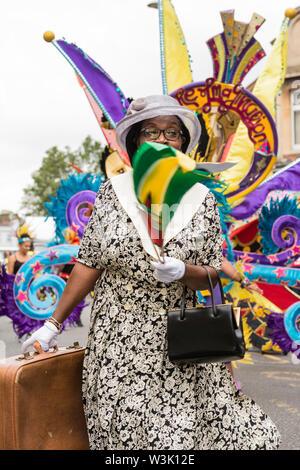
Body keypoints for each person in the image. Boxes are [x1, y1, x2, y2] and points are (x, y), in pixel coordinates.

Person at [22, 95, 280, 450]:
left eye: (172, 132)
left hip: (179, 342)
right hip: (116, 344)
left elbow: (212, 273)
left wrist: (182, 271)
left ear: (183, 142)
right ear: (136, 141)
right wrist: (52, 325)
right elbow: (89, 262)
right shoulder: (112, 193)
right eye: (151, 132)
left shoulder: (200, 197)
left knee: (174, 439)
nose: (162, 140)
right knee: (120, 436)